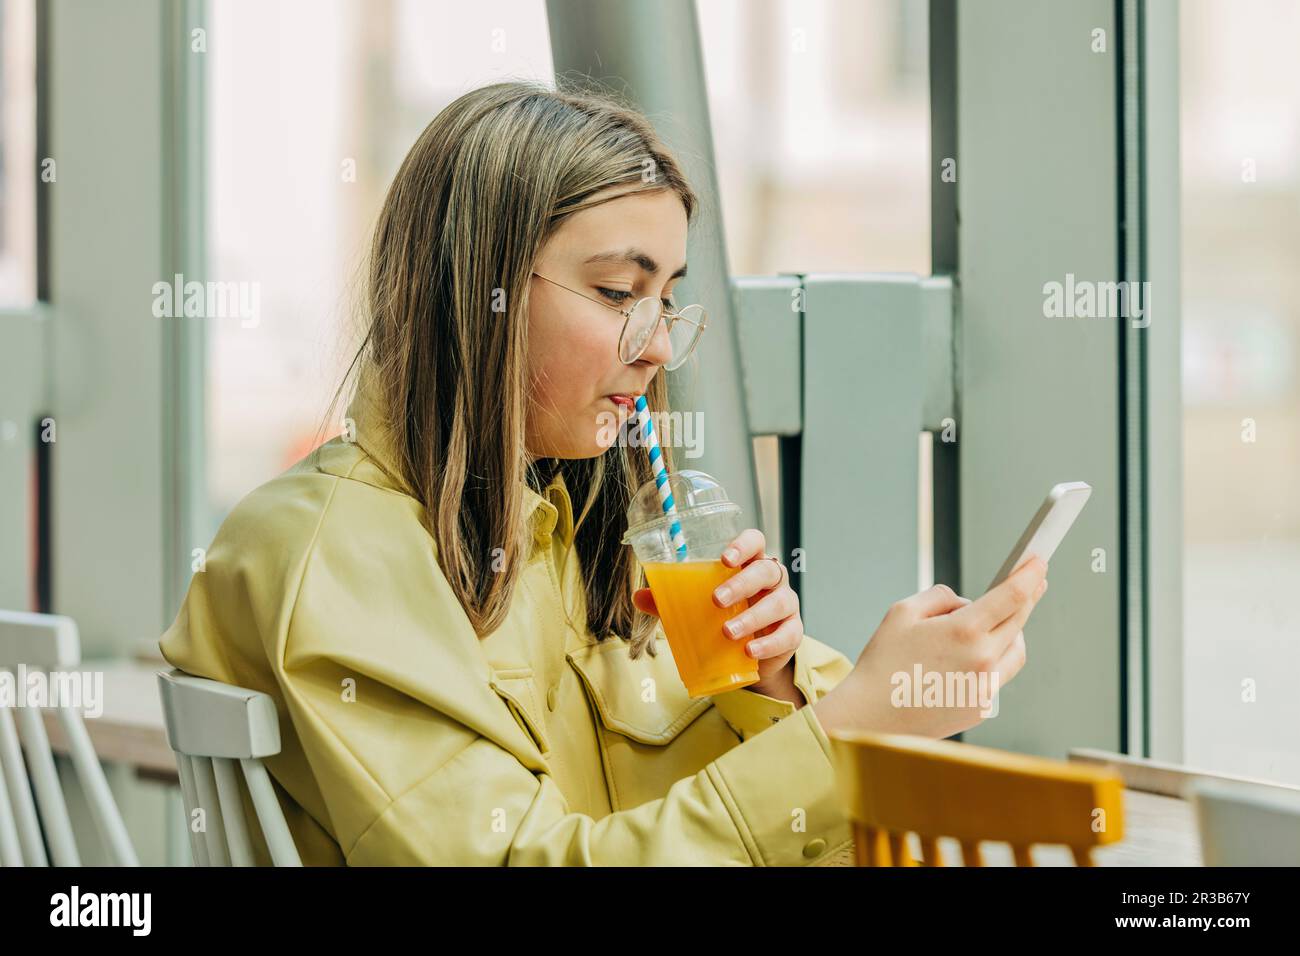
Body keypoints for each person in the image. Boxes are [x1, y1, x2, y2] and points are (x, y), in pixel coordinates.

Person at [159, 80, 1048, 866]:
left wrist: (772, 687)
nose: (658, 345)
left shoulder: (577, 534)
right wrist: (850, 725)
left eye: (667, 300)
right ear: (478, 288)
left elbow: (692, 818)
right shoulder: (335, 554)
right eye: (621, 293)